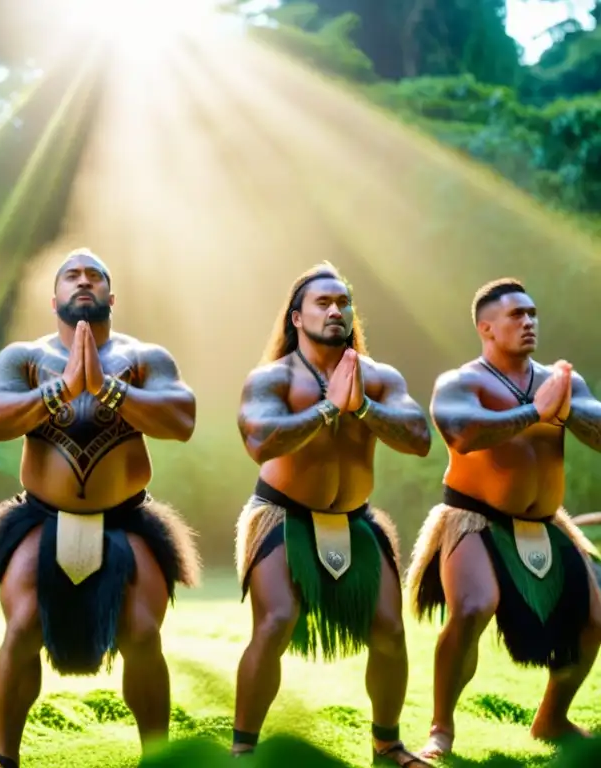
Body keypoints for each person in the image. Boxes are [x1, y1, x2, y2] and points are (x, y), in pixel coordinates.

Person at [0, 248, 202, 768]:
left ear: (110, 297)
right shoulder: (23, 358)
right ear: (54, 297)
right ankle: (4, 757)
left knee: (142, 632)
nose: (83, 281)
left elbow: (181, 419)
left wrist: (108, 390)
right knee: (24, 625)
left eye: (94, 276)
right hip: (41, 516)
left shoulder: (145, 358)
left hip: (127, 517)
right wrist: (62, 391)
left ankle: (157, 757)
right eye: (71, 275)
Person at [232, 263, 433, 766]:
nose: (336, 310)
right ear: (296, 317)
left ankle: (387, 744)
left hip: (356, 519)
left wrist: (362, 407)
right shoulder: (271, 378)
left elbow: (419, 438)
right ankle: (242, 750)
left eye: (343, 302)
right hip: (281, 516)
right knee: (276, 620)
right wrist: (328, 408)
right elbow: (260, 441)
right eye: (323, 303)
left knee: (389, 630)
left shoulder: (380, 377)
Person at [406, 278, 601, 760]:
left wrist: (565, 409)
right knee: (473, 606)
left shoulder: (562, 382)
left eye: (533, 313)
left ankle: (552, 719)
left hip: (545, 522)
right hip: (473, 519)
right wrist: (535, 411)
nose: (529, 321)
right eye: (517, 315)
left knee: (596, 619)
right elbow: (462, 432)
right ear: (486, 327)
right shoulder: (460, 381)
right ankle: (441, 729)